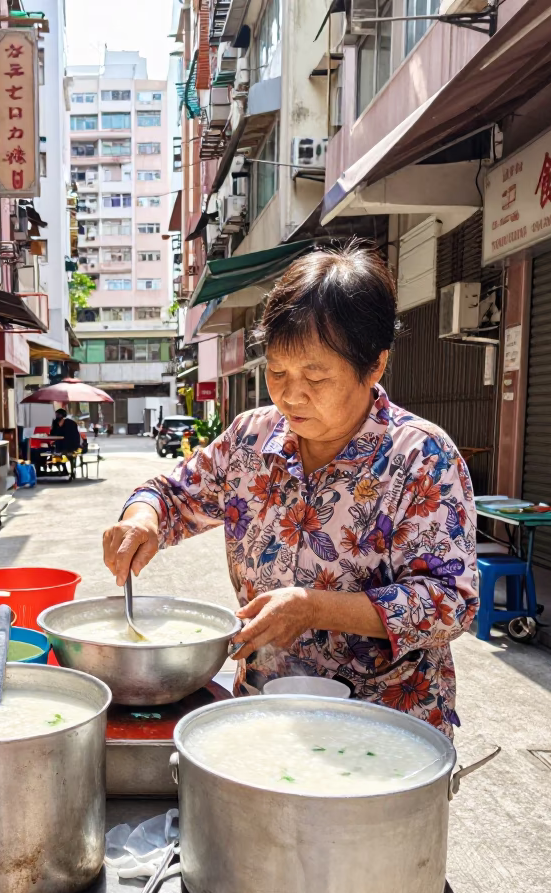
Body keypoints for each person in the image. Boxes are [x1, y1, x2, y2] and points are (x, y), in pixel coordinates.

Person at [102, 243, 478, 739]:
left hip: (385, 726)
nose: (290, 394)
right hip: (263, 712)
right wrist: (141, 517)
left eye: (315, 376)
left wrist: (314, 607)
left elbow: (450, 603)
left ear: (375, 366)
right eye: (277, 372)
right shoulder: (250, 439)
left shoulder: (422, 457)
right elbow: (171, 493)